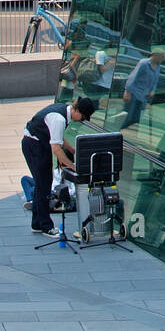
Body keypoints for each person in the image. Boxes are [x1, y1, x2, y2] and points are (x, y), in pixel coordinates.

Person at [21, 95, 96, 237]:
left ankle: (37, 223)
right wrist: (73, 166)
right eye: (83, 117)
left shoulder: (62, 110)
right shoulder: (59, 119)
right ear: (77, 111)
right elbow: (56, 149)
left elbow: (58, 136)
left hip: (35, 143)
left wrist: (72, 149)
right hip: (35, 146)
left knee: (41, 184)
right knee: (43, 186)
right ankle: (46, 226)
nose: (81, 121)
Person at [116, 50, 165, 130]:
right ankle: (114, 129)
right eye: (162, 57)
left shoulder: (158, 67)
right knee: (126, 115)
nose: (164, 59)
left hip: (144, 96)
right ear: (156, 55)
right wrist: (127, 92)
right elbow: (132, 77)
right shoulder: (144, 63)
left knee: (136, 118)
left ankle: (119, 129)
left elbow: (155, 80)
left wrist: (153, 90)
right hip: (134, 93)